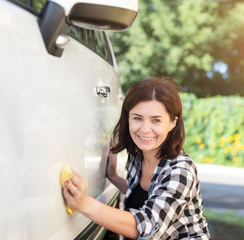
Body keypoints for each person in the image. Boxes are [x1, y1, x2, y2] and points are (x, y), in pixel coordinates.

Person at [63, 77, 211, 240]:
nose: (145, 129)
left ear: (172, 123)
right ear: (128, 118)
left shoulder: (181, 170)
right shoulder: (138, 157)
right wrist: (114, 177)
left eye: (156, 120)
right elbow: (148, 196)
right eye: (138, 118)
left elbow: (148, 227)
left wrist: (85, 204)